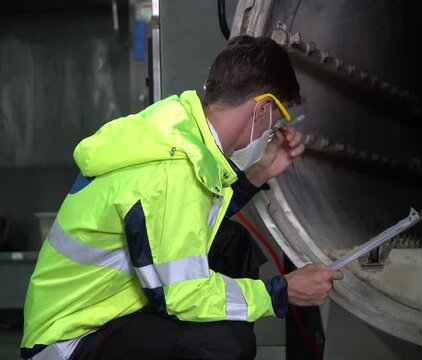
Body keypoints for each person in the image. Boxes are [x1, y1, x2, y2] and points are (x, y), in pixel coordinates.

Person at [21, 35, 343, 360]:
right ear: (261, 109)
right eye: (275, 124)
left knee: (234, 245)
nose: (270, 135)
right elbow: (183, 294)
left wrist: (257, 174)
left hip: (105, 309)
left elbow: (180, 221)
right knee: (223, 344)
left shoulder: (177, 125)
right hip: (70, 340)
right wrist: (280, 293)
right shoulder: (172, 169)